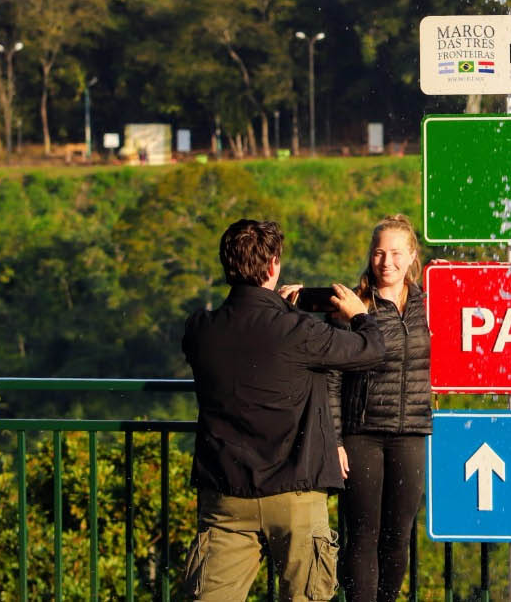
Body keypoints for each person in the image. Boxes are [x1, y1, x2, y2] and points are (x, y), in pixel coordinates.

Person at [181, 218, 386, 602]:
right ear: (274, 265)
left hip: (226, 496)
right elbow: (371, 350)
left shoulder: (201, 329)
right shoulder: (298, 332)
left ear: (227, 265)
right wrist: (359, 315)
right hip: (296, 494)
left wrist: (279, 311)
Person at [335, 215, 432, 602]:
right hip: (362, 433)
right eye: (378, 252)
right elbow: (331, 377)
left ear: (411, 257)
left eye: (395, 253)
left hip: (410, 431)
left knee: (398, 537)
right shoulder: (353, 307)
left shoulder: (429, 304)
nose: (386, 262)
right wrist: (336, 440)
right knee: (361, 535)